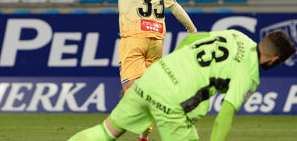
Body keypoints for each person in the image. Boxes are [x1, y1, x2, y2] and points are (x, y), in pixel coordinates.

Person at [68, 0, 197, 140]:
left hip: (134, 39)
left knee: (132, 92)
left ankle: (172, 114)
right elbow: (176, 7)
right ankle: (145, 135)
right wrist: (192, 30)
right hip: (156, 41)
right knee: (151, 89)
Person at [68, 29, 296, 141]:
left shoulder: (236, 35)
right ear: (276, 60)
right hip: (172, 99)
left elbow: (190, 40)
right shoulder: (250, 73)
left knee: (106, 131)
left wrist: (171, 69)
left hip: (153, 77)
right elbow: (224, 116)